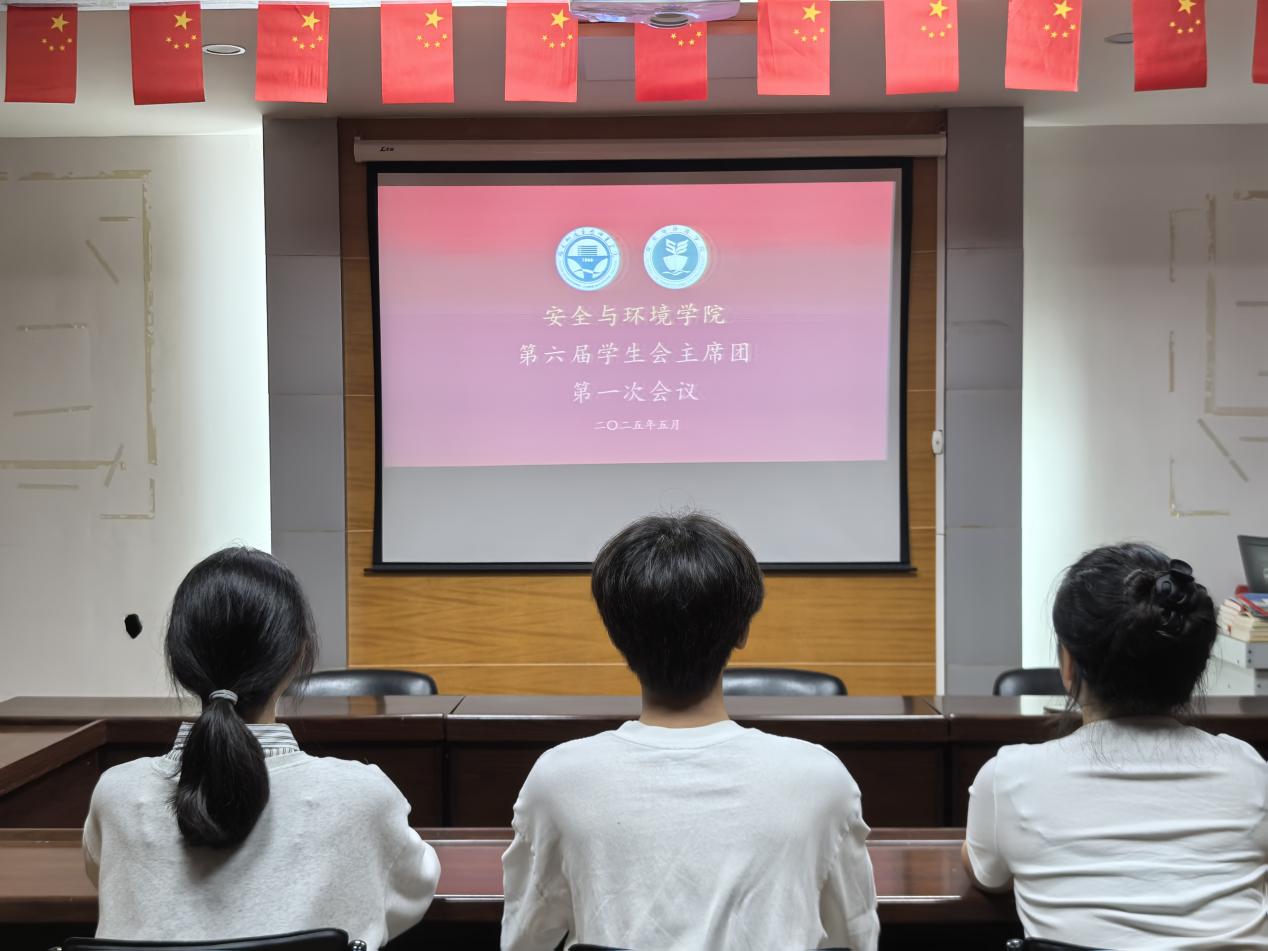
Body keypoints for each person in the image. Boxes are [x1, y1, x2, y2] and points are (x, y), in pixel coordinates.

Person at [500, 513, 879, 951]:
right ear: (742, 631)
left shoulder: (558, 778)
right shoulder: (820, 779)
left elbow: (524, 941)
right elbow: (856, 938)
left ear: (616, 635)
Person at [84, 547, 440, 947]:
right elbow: (414, 886)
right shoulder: (363, 796)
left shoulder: (116, 794)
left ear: (180, 659)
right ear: (298, 656)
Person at [963, 543, 1268, 950]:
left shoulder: (1009, 777)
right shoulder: (1250, 772)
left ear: (1068, 665)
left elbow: (987, 875)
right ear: (1193, 668)